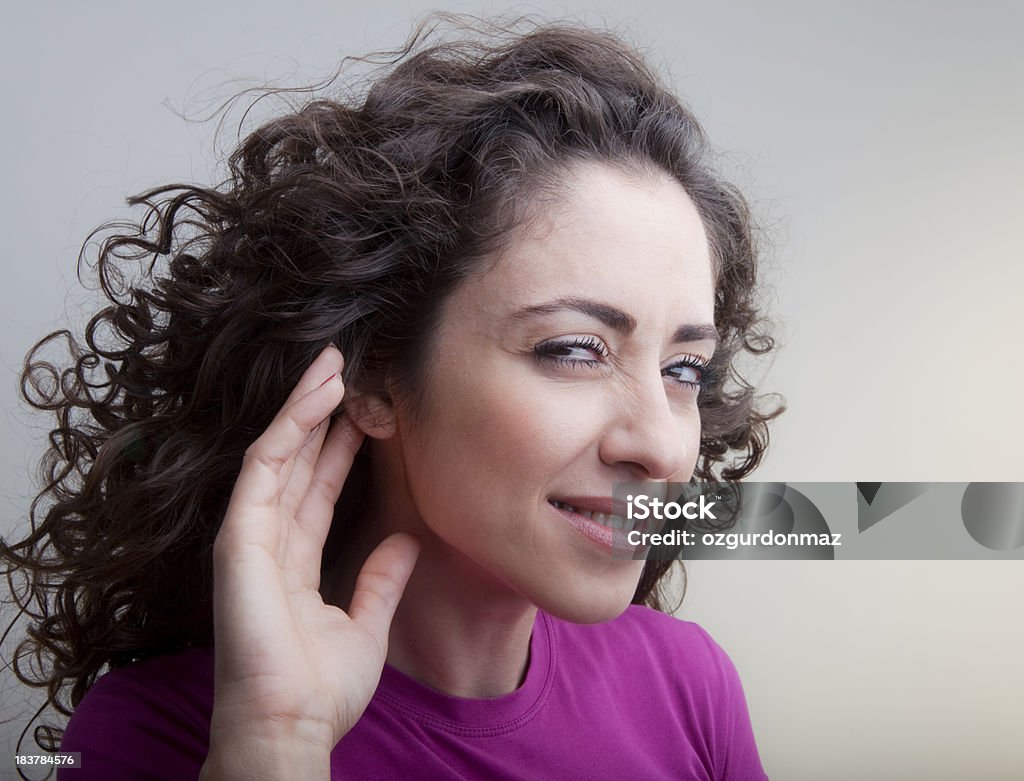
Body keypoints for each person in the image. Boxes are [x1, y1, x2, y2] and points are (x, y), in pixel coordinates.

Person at [1, 14, 781, 780]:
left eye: (685, 370)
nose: (664, 445)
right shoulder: (152, 737)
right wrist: (278, 744)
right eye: (575, 349)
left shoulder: (688, 684)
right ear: (375, 376)